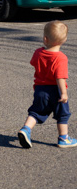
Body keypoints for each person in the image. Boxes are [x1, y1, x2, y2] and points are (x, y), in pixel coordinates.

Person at [17, 21, 77, 149]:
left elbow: (33, 63)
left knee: (36, 112)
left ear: (45, 39)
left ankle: (26, 129)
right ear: (65, 40)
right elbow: (59, 77)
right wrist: (64, 93)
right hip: (56, 91)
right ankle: (63, 139)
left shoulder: (38, 52)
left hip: (40, 89)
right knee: (62, 114)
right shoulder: (61, 58)